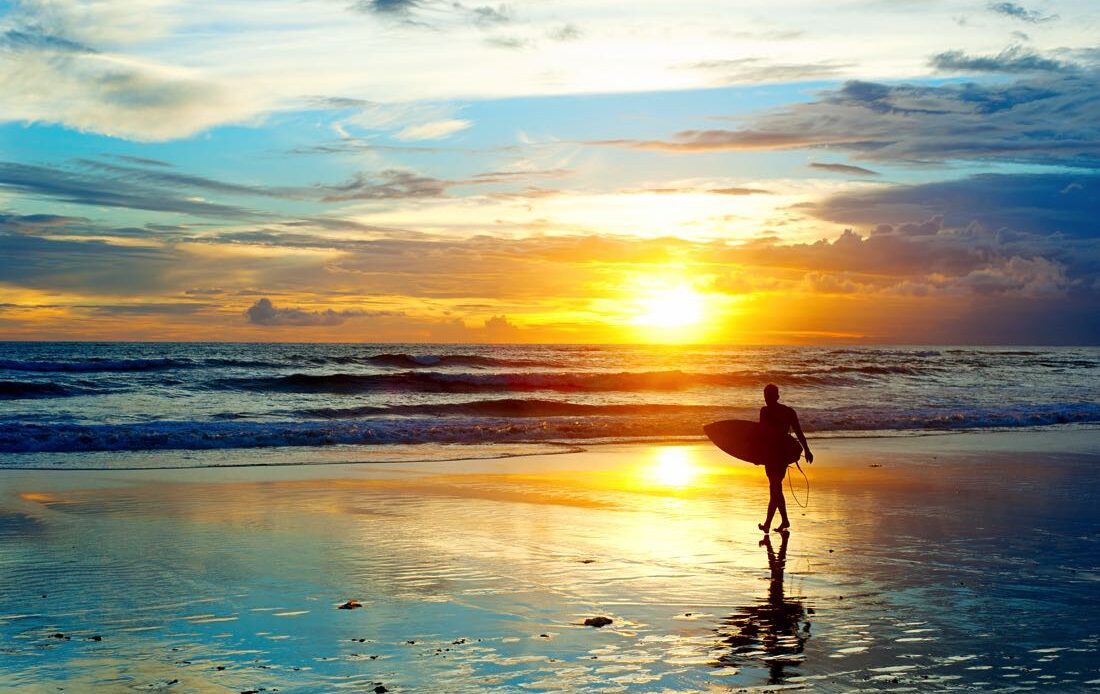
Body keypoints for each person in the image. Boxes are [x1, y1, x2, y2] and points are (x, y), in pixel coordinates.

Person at [757, 383, 812, 534]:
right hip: (769, 455)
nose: (767, 399)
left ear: (777, 396)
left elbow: (799, 432)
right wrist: (755, 456)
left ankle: (768, 523)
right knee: (775, 489)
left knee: (775, 487)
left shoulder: (788, 412)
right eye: (765, 396)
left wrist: (807, 450)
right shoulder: (764, 412)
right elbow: (761, 436)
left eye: (769, 396)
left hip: (781, 455)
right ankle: (784, 520)